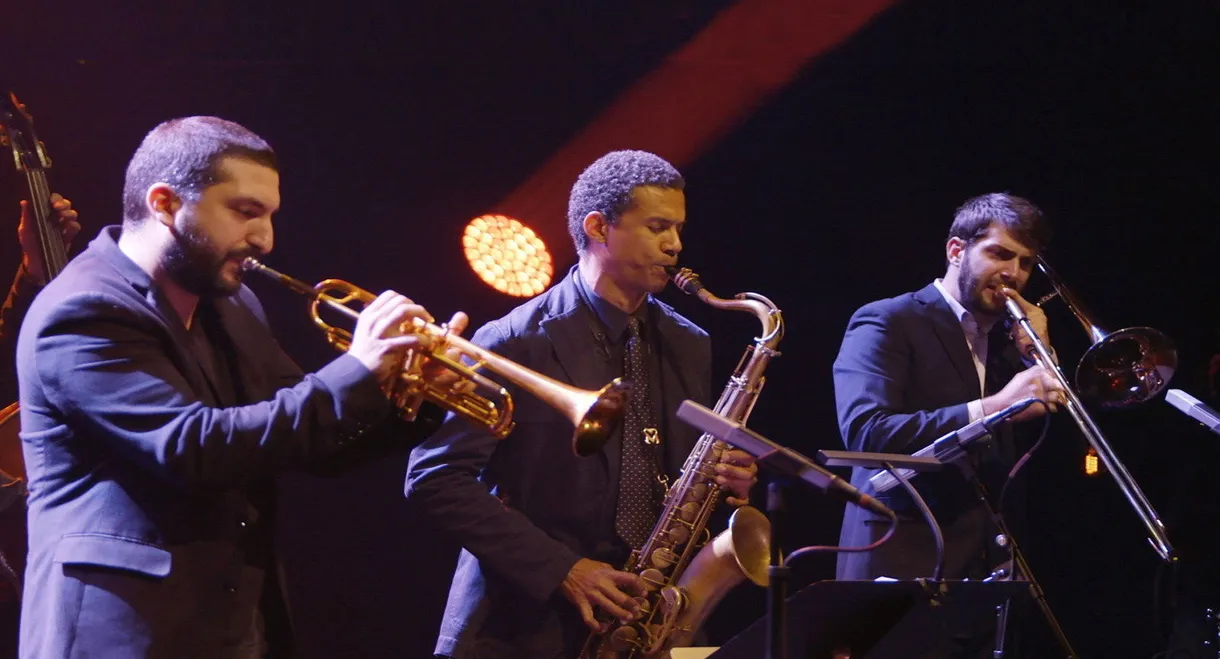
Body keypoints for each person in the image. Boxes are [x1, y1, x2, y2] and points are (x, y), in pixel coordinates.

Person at [15, 116, 461, 658]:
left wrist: (411, 394)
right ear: (165, 203)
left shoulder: (232, 304)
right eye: (245, 213)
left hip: (234, 629)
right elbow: (193, 448)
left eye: (270, 216)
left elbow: (305, 438)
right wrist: (358, 371)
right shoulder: (83, 309)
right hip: (121, 633)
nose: (265, 240)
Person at [405, 150, 758, 659]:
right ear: (598, 227)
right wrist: (563, 570)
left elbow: (673, 470)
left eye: (678, 228)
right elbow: (435, 477)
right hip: (525, 626)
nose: (675, 245)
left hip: (642, 621)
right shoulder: (512, 340)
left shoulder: (688, 341)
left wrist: (723, 476)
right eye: (657, 226)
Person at [832, 192, 1063, 657]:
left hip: (985, 584)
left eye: (1025, 263)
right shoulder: (888, 320)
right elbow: (866, 430)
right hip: (899, 574)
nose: (1013, 274)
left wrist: (1041, 352)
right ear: (956, 250)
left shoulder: (1006, 345)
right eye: (999, 254)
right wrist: (997, 405)